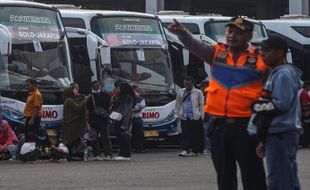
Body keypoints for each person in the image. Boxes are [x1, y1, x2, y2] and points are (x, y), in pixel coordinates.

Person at [168, 17, 267, 190]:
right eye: (230, 32)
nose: (232, 36)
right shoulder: (218, 54)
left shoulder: (259, 59)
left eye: (238, 33)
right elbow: (196, 46)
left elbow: (270, 93)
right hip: (219, 125)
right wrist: (183, 33)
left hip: (247, 126)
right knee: (224, 175)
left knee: (253, 175)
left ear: (249, 36)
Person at [248, 35, 302, 190]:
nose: (262, 53)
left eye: (266, 50)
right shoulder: (276, 73)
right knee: (279, 180)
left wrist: (255, 107)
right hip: (275, 135)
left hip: (281, 134)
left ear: (280, 53)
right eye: (261, 50)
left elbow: (281, 104)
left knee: (281, 183)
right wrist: (262, 138)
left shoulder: (283, 74)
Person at [175, 76, 204, 156]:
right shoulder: (180, 92)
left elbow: (201, 105)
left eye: (188, 84)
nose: (187, 86)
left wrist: (201, 115)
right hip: (184, 116)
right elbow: (178, 104)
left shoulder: (198, 92)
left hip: (195, 116)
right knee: (185, 134)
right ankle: (185, 150)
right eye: (185, 84)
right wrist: (176, 114)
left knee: (195, 134)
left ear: (192, 84)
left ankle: (195, 150)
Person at [86, 80, 113, 160]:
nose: (96, 87)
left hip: (104, 119)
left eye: (97, 85)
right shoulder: (89, 97)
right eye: (94, 85)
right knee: (94, 137)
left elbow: (111, 107)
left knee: (106, 138)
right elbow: (87, 110)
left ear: (100, 86)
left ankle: (108, 154)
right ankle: (96, 154)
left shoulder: (107, 96)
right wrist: (87, 121)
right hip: (93, 120)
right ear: (91, 87)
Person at [62, 86, 89, 161]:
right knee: (71, 141)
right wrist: (85, 101)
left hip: (72, 124)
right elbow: (78, 108)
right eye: (74, 90)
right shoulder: (69, 100)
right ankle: (70, 156)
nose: (76, 91)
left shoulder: (71, 99)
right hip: (71, 125)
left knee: (74, 141)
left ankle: (72, 156)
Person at [111, 81, 135, 161]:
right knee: (120, 136)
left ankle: (126, 154)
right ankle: (121, 153)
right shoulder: (120, 96)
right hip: (118, 118)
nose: (117, 89)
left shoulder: (127, 97)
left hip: (124, 120)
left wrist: (125, 124)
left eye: (118, 88)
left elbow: (127, 111)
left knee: (124, 136)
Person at [131, 85, 146, 153]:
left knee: (139, 134)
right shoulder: (129, 99)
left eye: (137, 91)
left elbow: (139, 109)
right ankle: (133, 147)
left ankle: (139, 148)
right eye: (134, 91)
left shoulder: (141, 99)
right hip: (129, 119)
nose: (136, 92)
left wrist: (131, 110)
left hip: (137, 118)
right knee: (132, 134)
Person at [198, 79, 211, 154]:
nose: (200, 88)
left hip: (207, 117)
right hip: (208, 117)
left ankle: (208, 149)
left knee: (207, 134)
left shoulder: (207, 94)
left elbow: (205, 105)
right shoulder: (206, 94)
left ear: (205, 86)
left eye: (201, 86)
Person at [300, 81, 310, 147]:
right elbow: (304, 104)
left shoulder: (305, 93)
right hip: (306, 113)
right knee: (306, 128)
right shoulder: (304, 93)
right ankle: (305, 143)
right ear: (307, 86)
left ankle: (306, 142)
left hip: (306, 112)